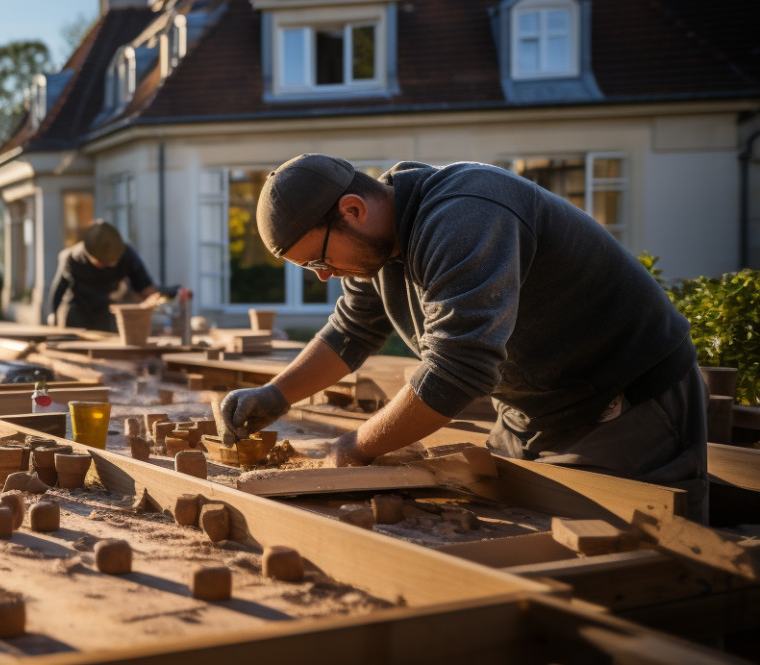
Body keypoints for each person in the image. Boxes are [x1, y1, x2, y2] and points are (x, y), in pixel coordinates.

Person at [216, 154, 708, 521]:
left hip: (625, 401)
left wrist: (357, 444)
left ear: (352, 209)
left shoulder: (465, 215)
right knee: (503, 524)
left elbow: (458, 368)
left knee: (626, 562)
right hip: (535, 410)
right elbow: (352, 329)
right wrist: (275, 395)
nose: (323, 276)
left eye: (318, 261)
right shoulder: (378, 247)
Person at [47, 220, 161, 332]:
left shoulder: (126, 254)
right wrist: (53, 314)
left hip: (107, 311)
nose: (106, 266)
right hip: (77, 312)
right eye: (102, 263)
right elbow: (59, 288)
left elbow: (144, 287)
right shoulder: (72, 257)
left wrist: (151, 301)